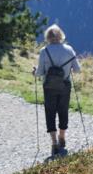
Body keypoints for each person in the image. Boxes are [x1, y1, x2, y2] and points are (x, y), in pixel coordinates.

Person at [34, 24, 80, 156]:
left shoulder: (44, 51)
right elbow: (77, 70)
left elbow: (39, 73)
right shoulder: (69, 49)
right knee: (63, 111)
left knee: (50, 112)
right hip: (65, 86)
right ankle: (62, 137)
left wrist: (34, 72)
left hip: (49, 87)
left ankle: (54, 143)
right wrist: (68, 68)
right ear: (61, 36)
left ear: (47, 37)